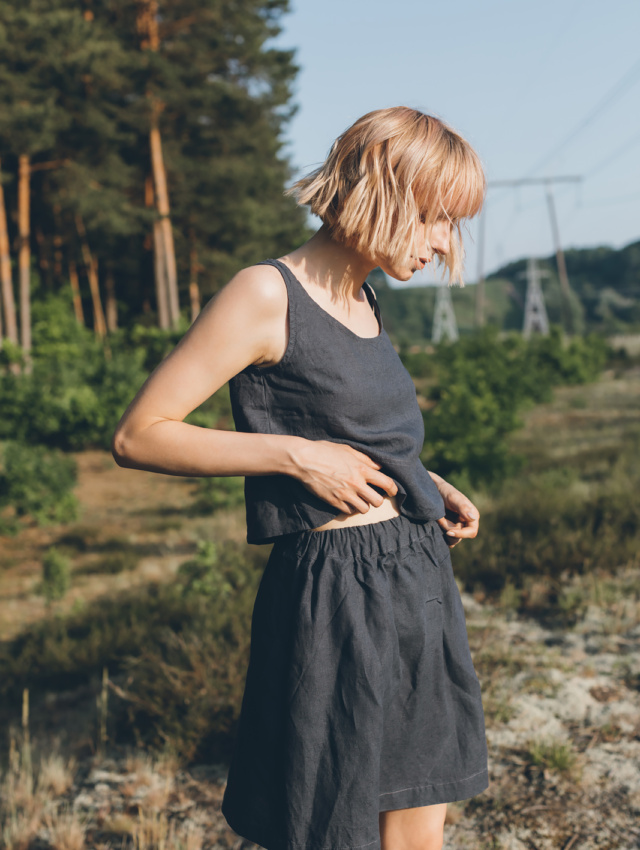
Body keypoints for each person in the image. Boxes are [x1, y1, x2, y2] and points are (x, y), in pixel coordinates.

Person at [112, 105, 488, 850]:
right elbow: (139, 435)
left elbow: (351, 433)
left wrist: (422, 480)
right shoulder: (265, 293)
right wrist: (292, 455)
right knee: (332, 820)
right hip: (336, 594)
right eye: (438, 217)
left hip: (416, 575)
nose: (447, 243)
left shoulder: (364, 299)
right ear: (387, 189)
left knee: (420, 814)